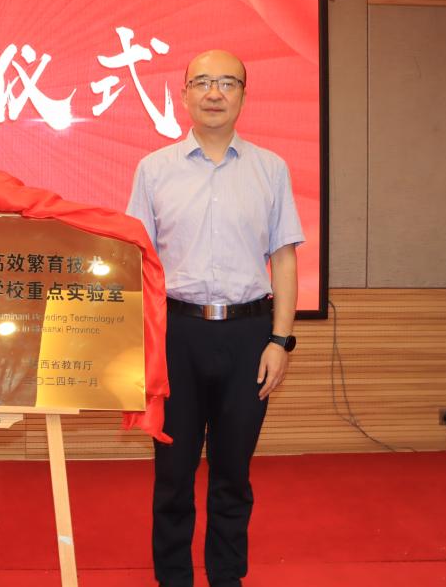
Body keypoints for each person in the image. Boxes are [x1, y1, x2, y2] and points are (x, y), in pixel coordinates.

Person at [127, 49, 304, 587]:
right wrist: (142, 342)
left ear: (244, 95)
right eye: (202, 82)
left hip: (249, 335)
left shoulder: (271, 169)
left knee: (233, 473)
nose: (214, 93)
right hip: (176, 334)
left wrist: (280, 341)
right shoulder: (154, 170)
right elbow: (137, 259)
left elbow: (284, 258)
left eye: (227, 83)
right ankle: (173, 578)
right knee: (173, 474)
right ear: (183, 94)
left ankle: (227, 577)